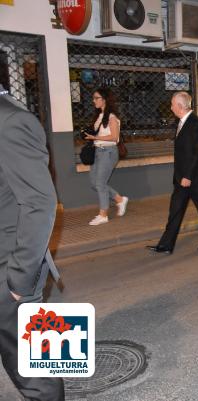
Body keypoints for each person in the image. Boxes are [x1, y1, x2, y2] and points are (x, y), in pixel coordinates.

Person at [0, 86, 65, 400]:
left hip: (10, 271)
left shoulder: (12, 120)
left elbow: (40, 202)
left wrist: (19, 282)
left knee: (38, 374)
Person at [147, 91, 198, 254]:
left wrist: (188, 176)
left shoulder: (195, 124)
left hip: (194, 178)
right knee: (175, 210)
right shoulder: (181, 122)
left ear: (179, 106)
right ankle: (166, 244)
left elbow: (196, 153)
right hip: (181, 179)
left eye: (172, 105)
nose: (171, 108)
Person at [83, 87, 128, 225]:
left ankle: (103, 214)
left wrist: (95, 137)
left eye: (97, 98)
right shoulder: (100, 116)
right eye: (94, 98)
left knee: (100, 183)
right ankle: (119, 199)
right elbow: (100, 135)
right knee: (93, 182)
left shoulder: (112, 117)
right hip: (98, 152)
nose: (94, 100)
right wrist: (90, 136)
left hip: (108, 153)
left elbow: (114, 137)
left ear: (105, 99)